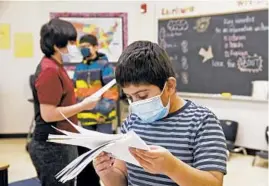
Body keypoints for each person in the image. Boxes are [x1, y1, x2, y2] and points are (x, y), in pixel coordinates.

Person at [93, 41, 228, 186]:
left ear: (169, 86)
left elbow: (214, 183)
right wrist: (107, 173)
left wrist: (172, 167)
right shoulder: (132, 121)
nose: (136, 103)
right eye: (130, 97)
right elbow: (122, 179)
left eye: (143, 96)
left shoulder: (202, 121)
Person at [29, 19, 98, 186]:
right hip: (51, 146)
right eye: (71, 43)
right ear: (56, 46)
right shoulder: (49, 71)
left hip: (63, 139)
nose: (75, 47)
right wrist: (83, 106)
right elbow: (48, 114)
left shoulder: (57, 67)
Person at [73, 34, 118, 186]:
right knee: (87, 154)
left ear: (96, 47)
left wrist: (100, 111)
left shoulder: (105, 66)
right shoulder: (78, 67)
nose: (84, 49)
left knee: (104, 153)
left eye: (87, 46)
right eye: (81, 47)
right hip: (85, 117)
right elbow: (76, 91)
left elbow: (111, 93)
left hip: (102, 117)